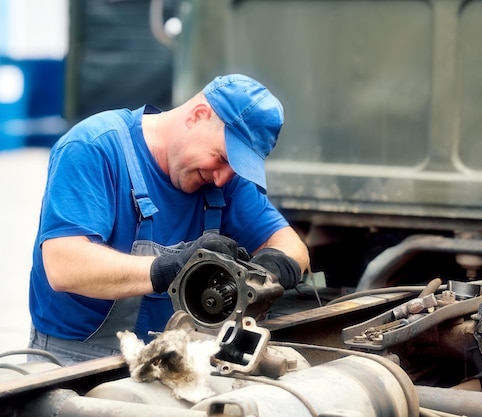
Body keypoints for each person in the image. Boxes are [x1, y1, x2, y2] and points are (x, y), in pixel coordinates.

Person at [28, 74, 310, 365]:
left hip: (175, 359)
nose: (222, 177)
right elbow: (63, 266)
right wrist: (171, 268)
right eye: (223, 158)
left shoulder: (224, 178)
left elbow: (294, 247)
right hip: (76, 361)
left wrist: (269, 267)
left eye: (237, 168)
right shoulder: (93, 147)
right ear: (199, 115)